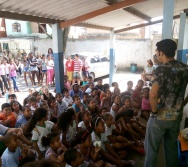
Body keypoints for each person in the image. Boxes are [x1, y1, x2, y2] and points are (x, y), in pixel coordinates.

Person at [144, 39, 188, 167]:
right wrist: (182, 104)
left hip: (160, 117)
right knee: (171, 148)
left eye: (157, 51)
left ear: (161, 52)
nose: (156, 54)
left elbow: (153, 94)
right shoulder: (185, 68)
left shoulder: (160, 69)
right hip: (176, 117)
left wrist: (154, 112)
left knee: (152, 150)